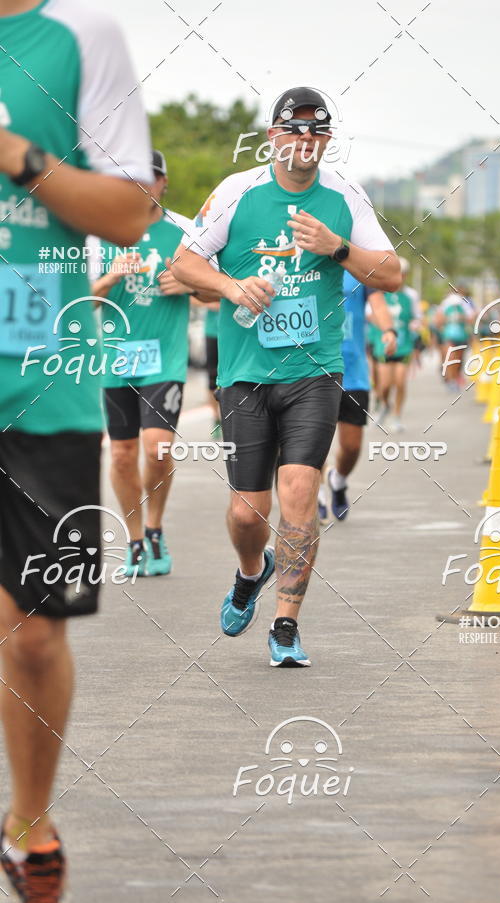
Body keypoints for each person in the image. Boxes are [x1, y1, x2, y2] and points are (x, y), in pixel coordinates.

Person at [0, 1, 151, 899]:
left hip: (40, 381)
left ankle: (28, 819)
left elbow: (131, 211)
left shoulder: (82, 35)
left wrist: (19, 156)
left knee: (33, 636)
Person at [170, 86, 401, 667]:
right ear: (273, 136)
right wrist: (230, 285)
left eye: (315, 132)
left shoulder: (345, 196)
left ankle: (285, 624)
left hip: (314, 371)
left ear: (326, 141)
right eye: (293, 131)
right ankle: (252, 571)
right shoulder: (236, 192)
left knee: (299, 490)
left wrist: (338, 246)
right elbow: (184, 261)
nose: (304, 142)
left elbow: (391, 273)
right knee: (249, 513)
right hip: (245, 374)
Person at [90, 150, 194, 577]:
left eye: (152, 178)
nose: (144, 185)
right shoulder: (102, 233)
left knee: (157, 449)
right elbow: (82, 300)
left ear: (163, 183)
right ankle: (134, 539)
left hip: (163, 359)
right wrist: (112, 275)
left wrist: (187, 281)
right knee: (121, 455)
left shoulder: (186, 231)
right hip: (114, 359)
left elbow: (215, 291)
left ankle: (155, 528)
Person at [319, 271, 397, 523]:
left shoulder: (359, 269)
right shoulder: (305, 264)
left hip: (352, 373)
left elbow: (378, 305)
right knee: (311, 442)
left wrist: (388, 330)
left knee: (351, 447)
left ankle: (338, 480)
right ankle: (315, 494)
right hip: (312, 370)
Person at [370, 259, 422, 431]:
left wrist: (414, 326)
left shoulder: (411, 296)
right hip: (383, 345)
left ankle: (397, 416)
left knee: (400, 382)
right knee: (384, 385)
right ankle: (384, 404)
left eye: (403, 273)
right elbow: (369, 315)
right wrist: (385, 326)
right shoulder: (378, 293)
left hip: (404, 345)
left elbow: (417, 318)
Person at [436, 290, 473, 390]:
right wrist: (443, 327)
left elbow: (471, 319)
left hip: (461, 336)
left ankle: (455, 377)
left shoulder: (464, 306)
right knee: (450, 357)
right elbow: (438, 321)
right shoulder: (445, 306)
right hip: (448, 337)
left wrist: (462, 318)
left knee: (458, 360)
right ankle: (450, 380)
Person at [204, 302, 222, 438]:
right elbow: (192, 296)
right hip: (212, 331)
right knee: (212, 378)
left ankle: (232, 415)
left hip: (234, 333)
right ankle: (216, 418)